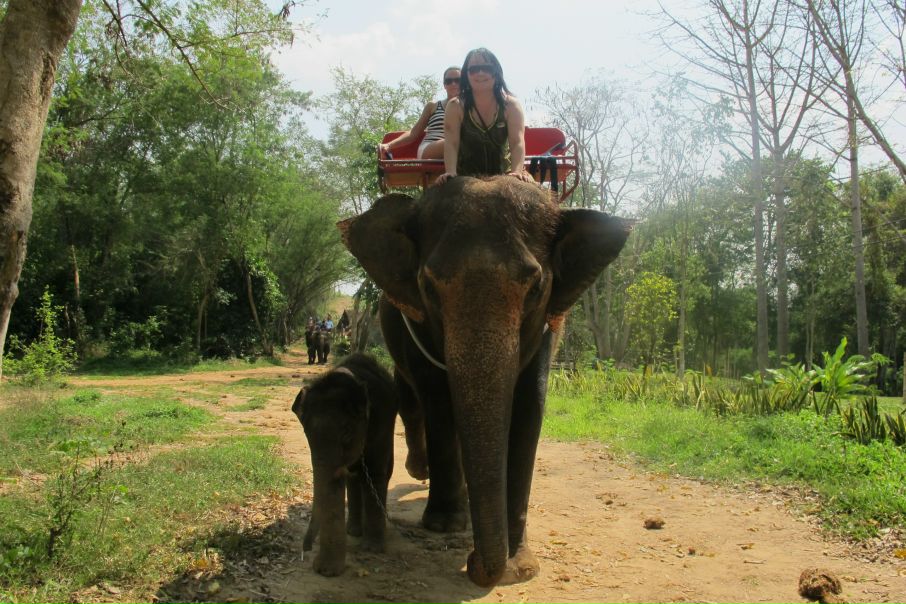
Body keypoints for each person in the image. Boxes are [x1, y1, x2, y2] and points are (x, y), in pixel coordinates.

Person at [435, 48, 532, 185]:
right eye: (474, 69)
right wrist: (450, 172)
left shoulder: (511, 105)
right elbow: (451, 143)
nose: (480, 73)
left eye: (487, 68)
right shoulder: (455, 106)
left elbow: (517, 142)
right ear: (466, 75)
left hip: (504, 176)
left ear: (496, 72)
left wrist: (517, 172)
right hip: (465, 178)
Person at [378, 66, 462, 160]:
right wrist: (388, 145)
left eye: (458, 80)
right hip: (430, 148)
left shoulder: (470, 109)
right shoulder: (433, 106)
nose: (453, 84)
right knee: (456, 142)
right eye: (449, 81)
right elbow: (414, 133)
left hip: (458, 151)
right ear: (444, 85)